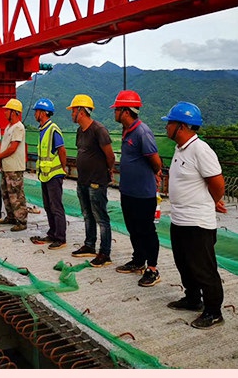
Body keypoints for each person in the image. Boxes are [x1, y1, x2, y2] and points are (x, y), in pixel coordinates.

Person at [163, 102, 227, 329]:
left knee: (203, 269)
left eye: (169, 123)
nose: (166, 127)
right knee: (184, 263)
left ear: (181, 126)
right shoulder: (181, 148)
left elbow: (217, 184)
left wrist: (212, 201)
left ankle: (213, 312)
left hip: (197, 223)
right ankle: (192, 299)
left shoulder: (201, 150)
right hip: (179, 219)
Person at [111, 90, 163, 287]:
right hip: (128, 191)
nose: (114, 113)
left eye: (116, 109)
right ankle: (138, 260)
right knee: (133, 228)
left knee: (147, 230)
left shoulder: (142, 132)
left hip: (143, 194)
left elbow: (155, 161)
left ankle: (153, 269)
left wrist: (155, 173)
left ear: (125, 111)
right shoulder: (127, 131)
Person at [67, 94, 115, 267]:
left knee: (101, 217)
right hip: (83, 181)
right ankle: (89, 245)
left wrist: (107, 171)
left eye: (73, 110)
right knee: (87, 215)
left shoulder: (99, 130)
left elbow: (110, 156)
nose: (71, 114)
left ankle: (105, 253)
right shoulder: (80, 131)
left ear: (81, 111)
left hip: (96, 182)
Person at [29, 98, 67, 250]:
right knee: (48, 206)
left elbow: (62, 150)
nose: (35, 114)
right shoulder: (43, 129)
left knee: (56, 207)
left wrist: (63, 168)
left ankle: (60, 238)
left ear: (43, 113)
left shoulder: (53, 129)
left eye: (37, 111)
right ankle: (52, 233)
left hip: (54, 175)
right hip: (45, 175)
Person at [0, 98, 27, 232]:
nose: (5, 112)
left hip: (14, 168)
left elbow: (13, 148)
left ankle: (21, 220)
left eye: (7, 110)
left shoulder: (18, 127)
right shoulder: (8, 127)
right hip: (7, 167)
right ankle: (11, 216)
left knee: (16, 195)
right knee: (6, 194)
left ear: (14, 112)